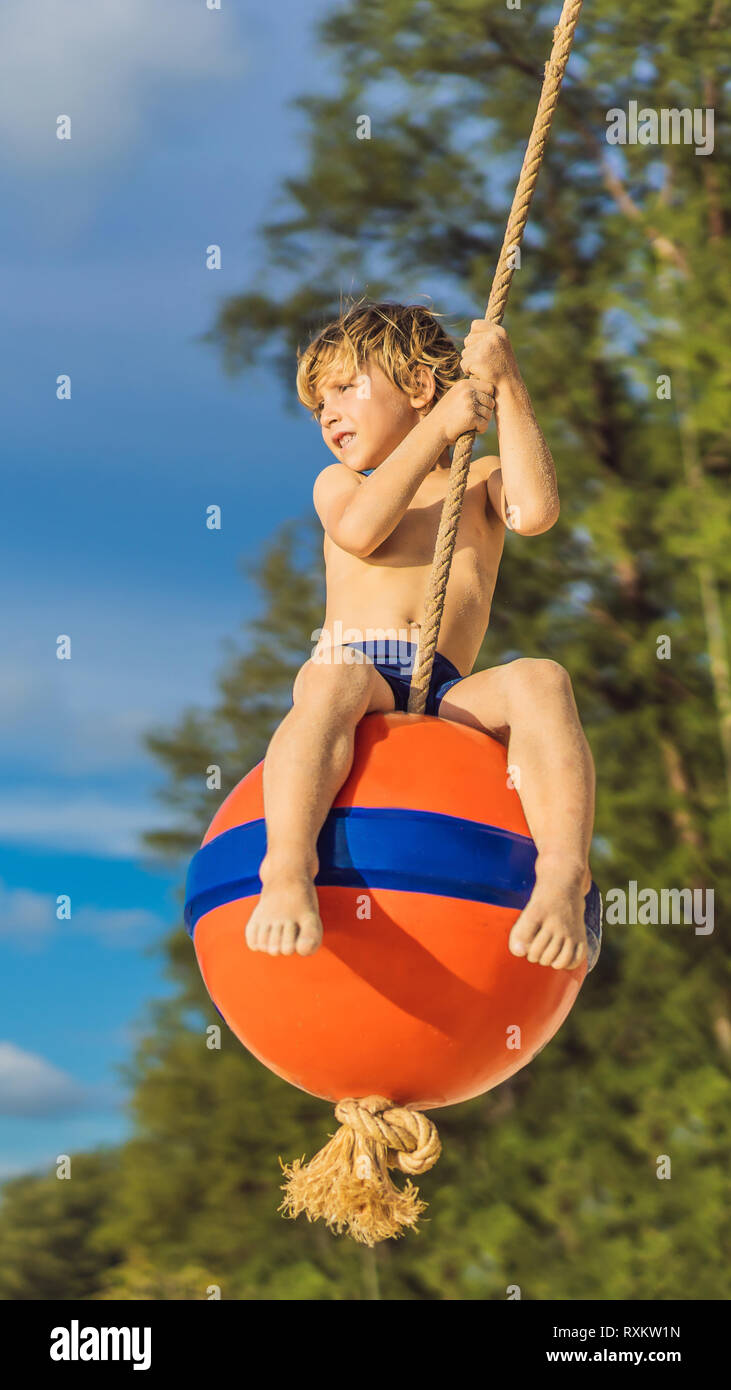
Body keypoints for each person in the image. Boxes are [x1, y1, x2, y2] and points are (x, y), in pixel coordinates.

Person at [245, 299, 600, 970]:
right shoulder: (341, 483)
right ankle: (286, 869)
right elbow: (359, 532)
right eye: (318, 402)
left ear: (415, 386)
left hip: (446, 688)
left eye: (346, 387)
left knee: (539, 679)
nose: (327, 411)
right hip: (360, 670)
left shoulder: (479, 479)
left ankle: (562, 875)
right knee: (332, 677)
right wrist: (437, 426)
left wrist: (507, 382)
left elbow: (534, 513)